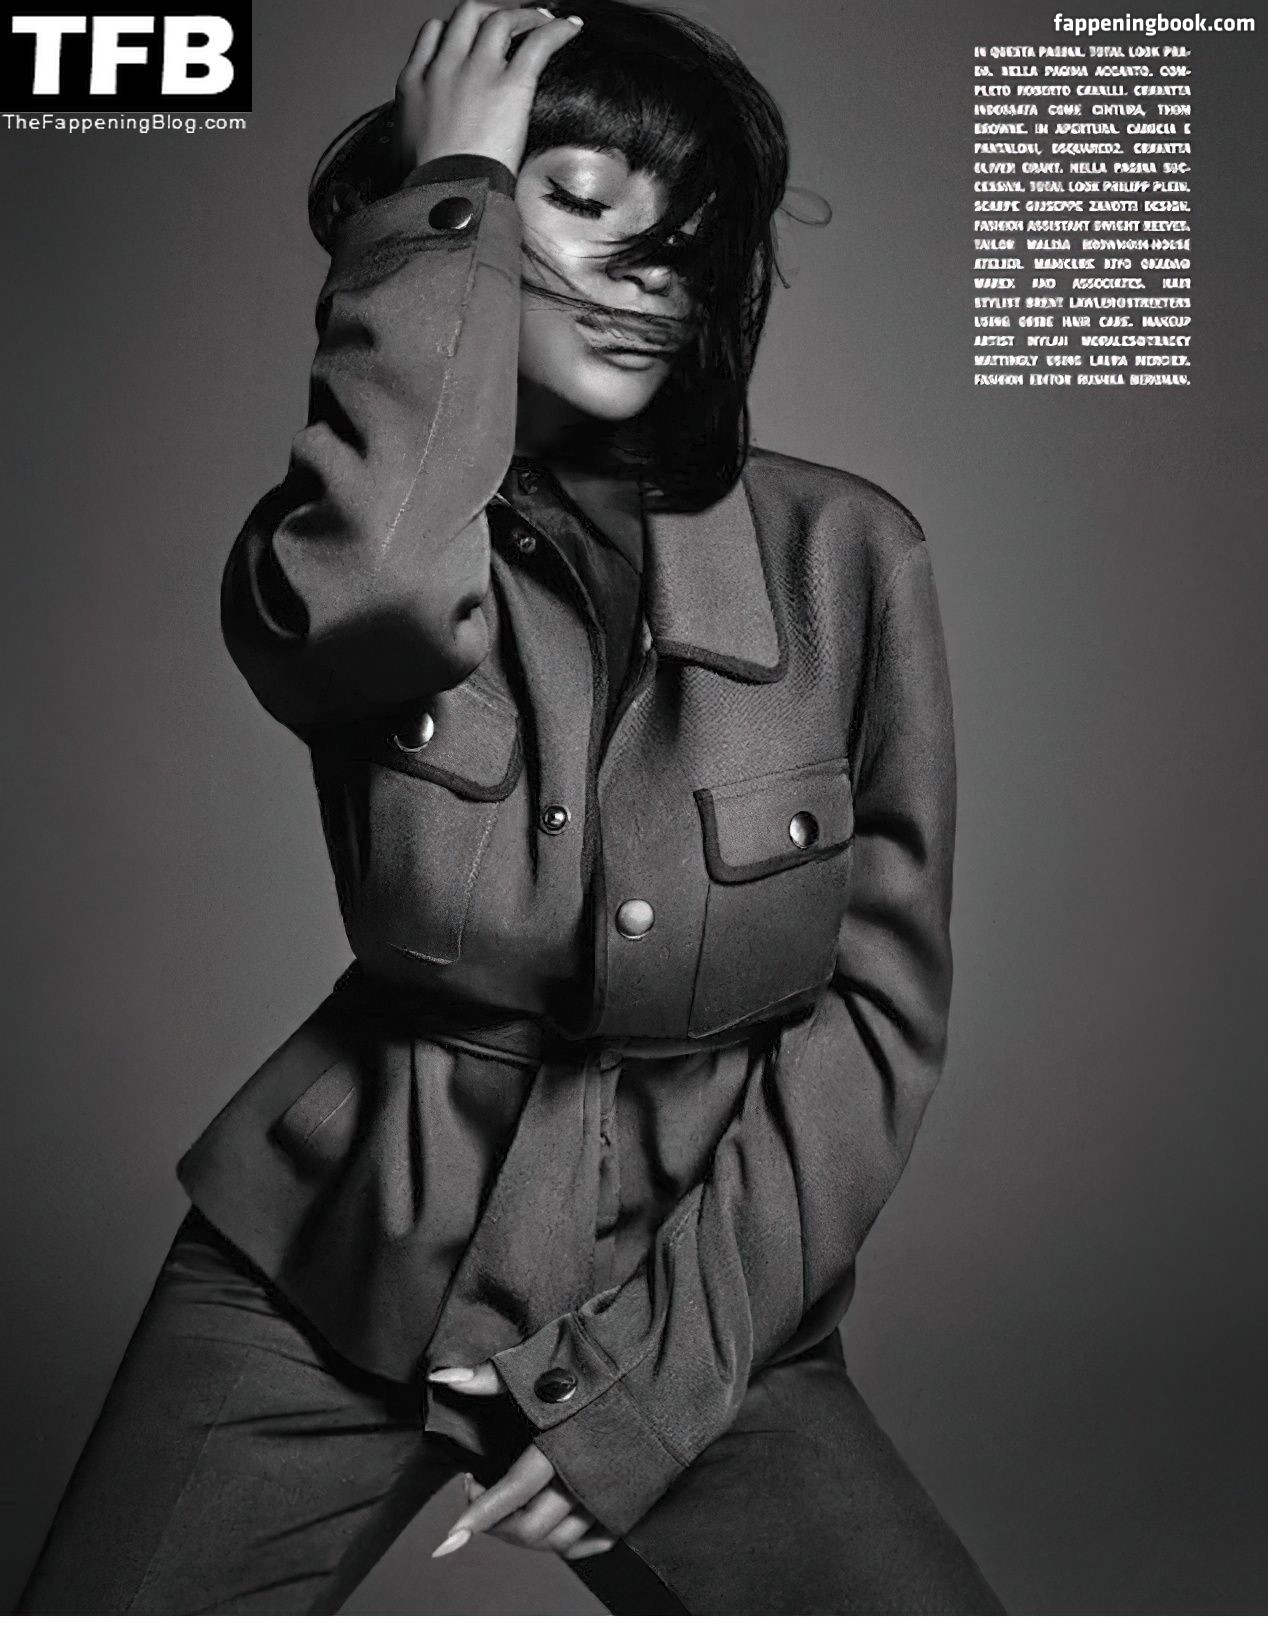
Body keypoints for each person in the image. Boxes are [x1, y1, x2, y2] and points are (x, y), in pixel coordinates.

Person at [17, 0, 1005, 1612]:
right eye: (580, 200)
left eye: (686, 235)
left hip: (700, 1285)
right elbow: (379, 589)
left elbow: (872, 1024)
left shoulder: (851, 561)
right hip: (335, 1261)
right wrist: (451, 193)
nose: (647, 272)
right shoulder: (338, 547)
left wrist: (659, 1381)